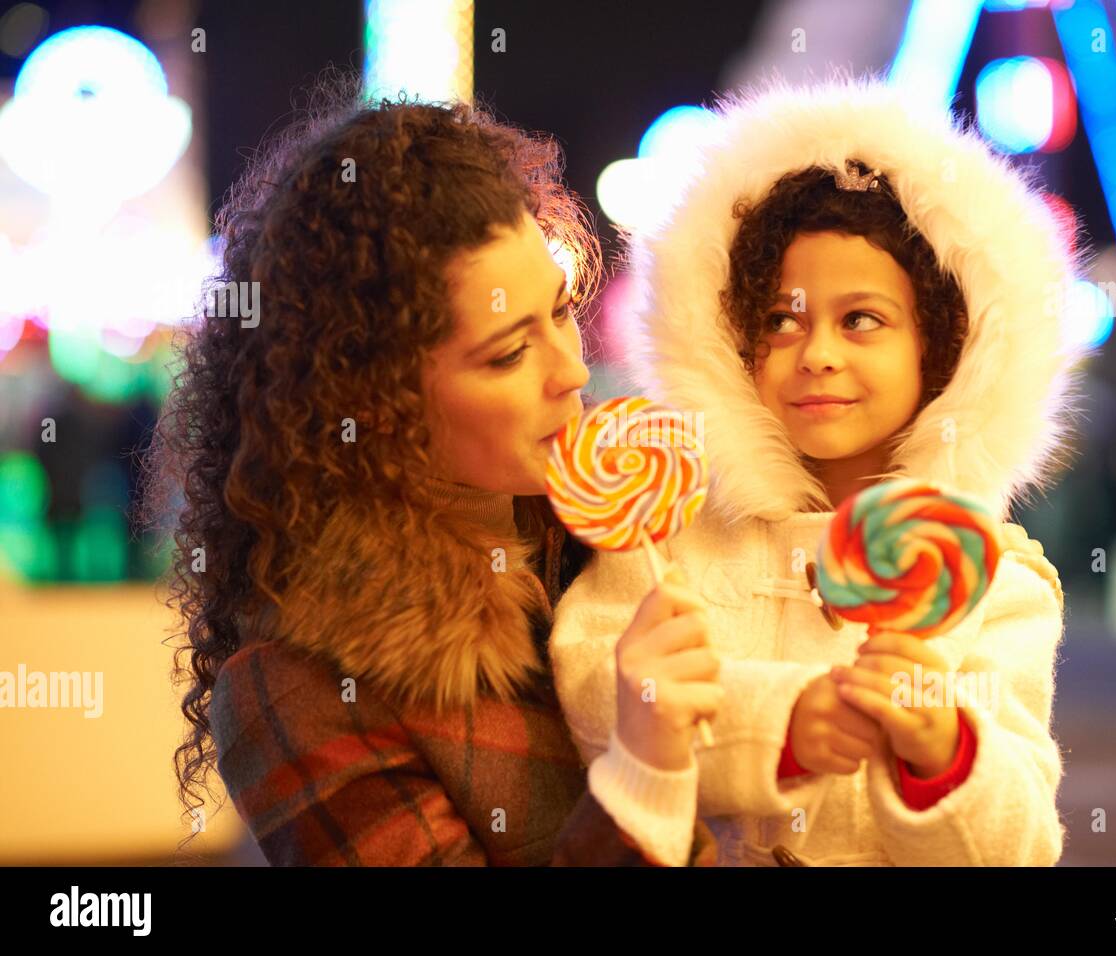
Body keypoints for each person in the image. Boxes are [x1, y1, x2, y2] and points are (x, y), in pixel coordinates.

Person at [148, 78, 721, 866]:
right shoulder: (296, 691)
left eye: (559, 312)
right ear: (379, 404)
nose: (571, 373)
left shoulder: (626, 535)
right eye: (508, 352)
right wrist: (644, 778)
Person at [550, 76, 1085, 866]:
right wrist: (781, 726)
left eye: (862, 320)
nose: (818, 353)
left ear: (939, 345)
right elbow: (594, 700)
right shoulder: (667, 535)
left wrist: (943, 750)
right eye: (780, 319)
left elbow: (1020, 844)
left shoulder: (991, 583)